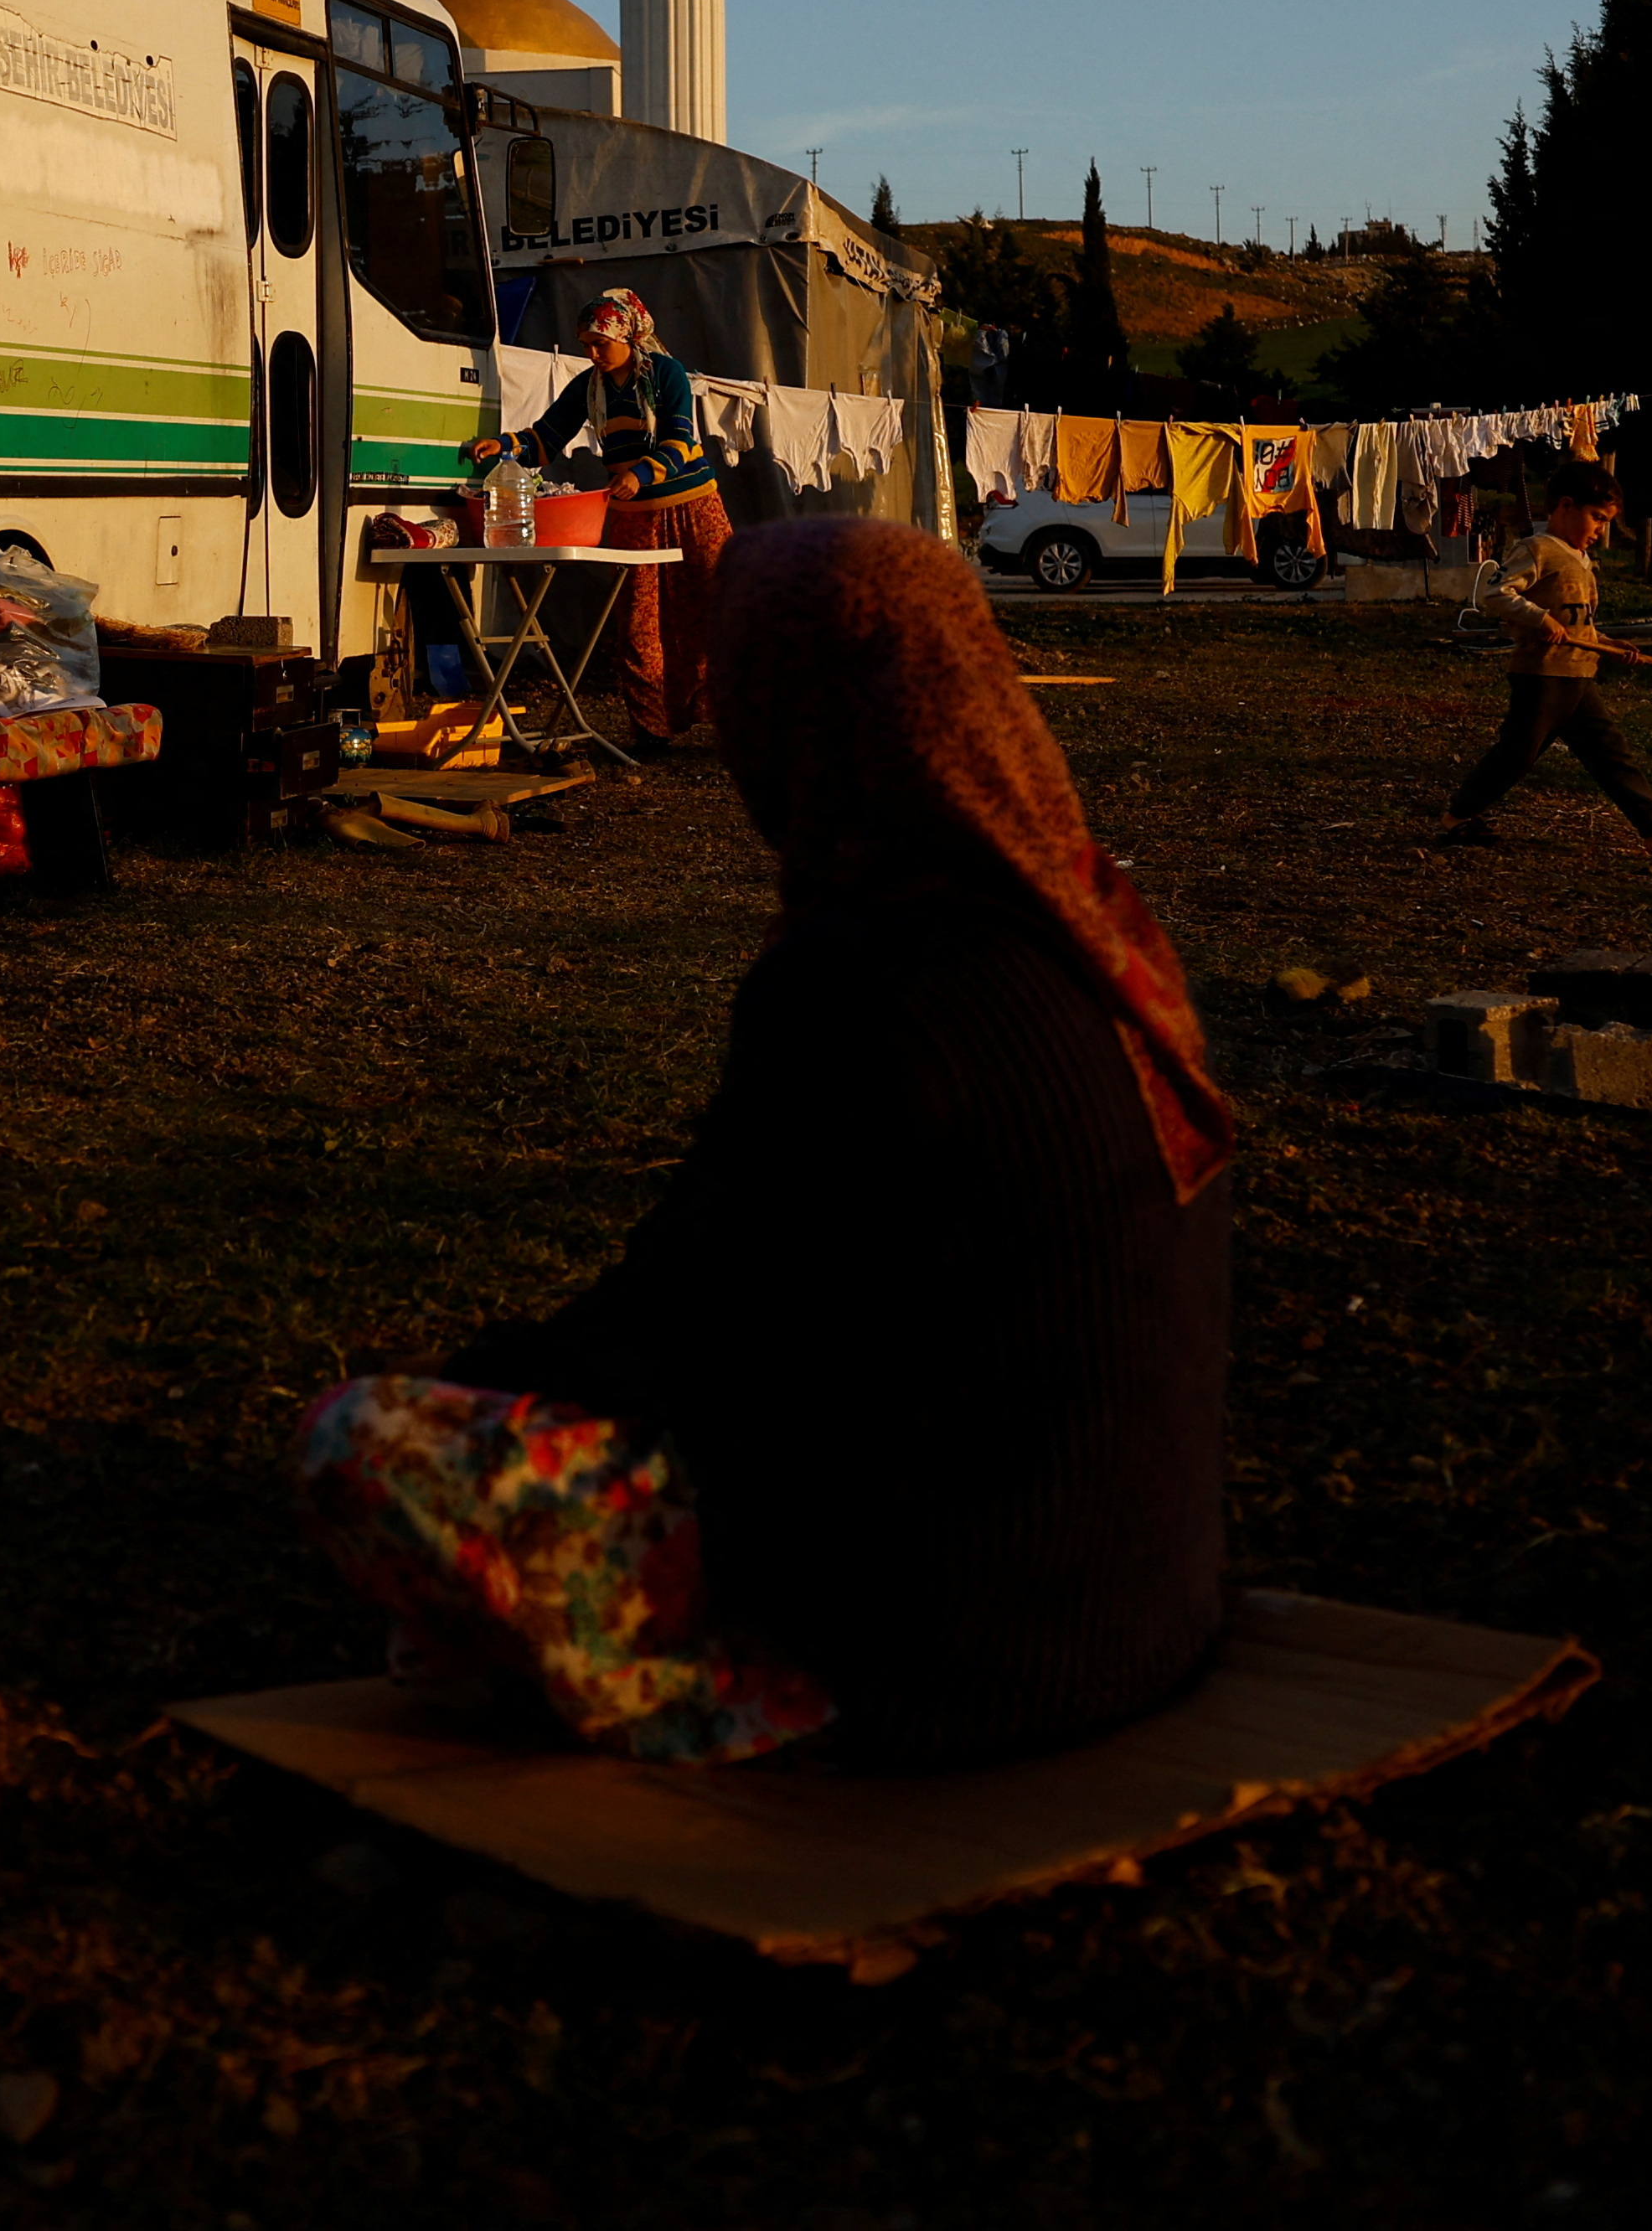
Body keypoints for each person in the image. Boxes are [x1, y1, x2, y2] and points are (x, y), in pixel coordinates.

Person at [288, 518, 1238, 1769]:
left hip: (948, 1670)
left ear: (783, 715)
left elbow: (704, 1318)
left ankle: (729, 1680)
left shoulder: (860, 984)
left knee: (359, 1444)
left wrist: (479, 1381)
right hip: (1150, 1615)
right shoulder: (1095, 926)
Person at [464, 287, 731, 744]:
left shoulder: (665, 374)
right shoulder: (588, 387)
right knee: (637, 624)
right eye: (585, 345)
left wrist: (642, 474)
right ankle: (653, 730)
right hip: (633, 516)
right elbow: (546, 437)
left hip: (692, 507)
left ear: (626, 336)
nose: (592, 353)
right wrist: (505, 445)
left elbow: (682, 440)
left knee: (722, 606)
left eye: (599, 344)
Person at [1442, 460, 1652, 858]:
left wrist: (1609, 643)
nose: (1600, 530)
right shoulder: (1537, 550)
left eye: (1605, 522)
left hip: (1578, 675)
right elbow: (1494, 595)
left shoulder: (1582, 562)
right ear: (1565, 506)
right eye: (1596, 518)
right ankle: (1457, 818)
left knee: (1610, 753)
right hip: (1542, 675)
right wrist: (1540, 618)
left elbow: (1578, 626)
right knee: (1518, 753)